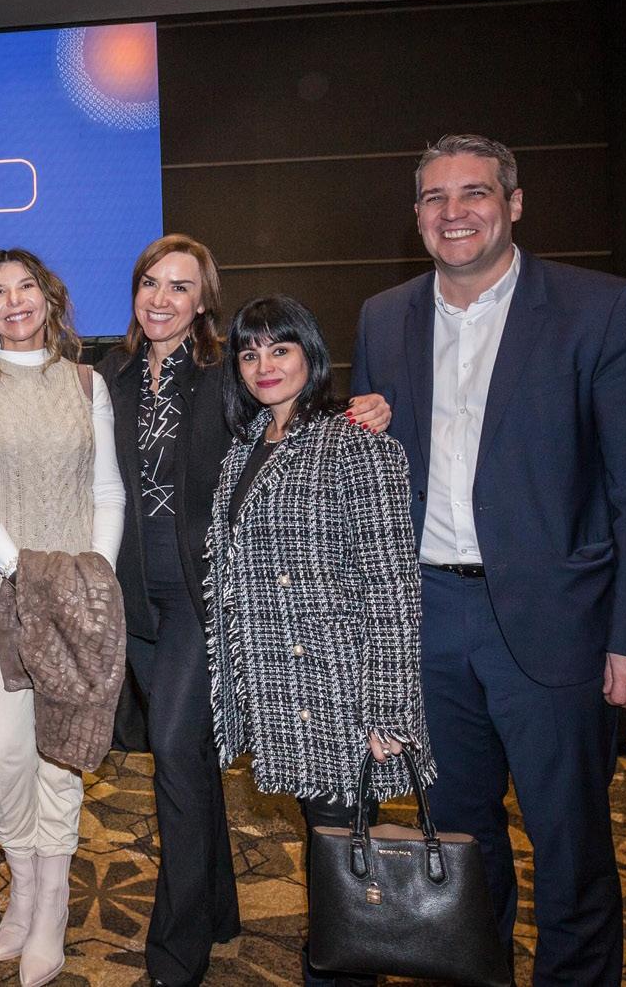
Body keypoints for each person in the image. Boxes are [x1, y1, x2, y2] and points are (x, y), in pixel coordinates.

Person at [352, 134, 626, 984]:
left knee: (571, 845)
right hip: (429, 621)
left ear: (514, 204)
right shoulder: (384, 317)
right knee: (459, 842)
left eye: (474, 193)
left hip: (556, 623)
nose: (453, 212)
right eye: (434, 197)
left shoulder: (598, 309)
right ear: (417, 216)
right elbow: (374, 485)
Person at [94, 235, 388, 987]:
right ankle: (219, 911)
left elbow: (290, 418)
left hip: (205, 600)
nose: (162, 299)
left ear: (203, 302)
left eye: (181, 287)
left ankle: (177, 951)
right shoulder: (109, 376)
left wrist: (364, 407)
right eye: (151, 283)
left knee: (172, 754)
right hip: (135, 600)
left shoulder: (224, 370)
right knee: (189, 763)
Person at [206, 294, 430, 987]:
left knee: (345, 860)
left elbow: (393, 586)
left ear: (311, 354)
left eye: (280, 349)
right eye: (249, 353)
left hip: (340, 692)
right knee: (330, 850)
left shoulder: (355, 442)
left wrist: (387, 710)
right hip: (281, 689)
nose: (264, 365)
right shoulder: (246, 448)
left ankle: (338, 972)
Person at [0, 249, 122, 987]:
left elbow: (106, 489)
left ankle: (52, 900)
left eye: (26, 288)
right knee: (7, 750)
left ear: (49, 298)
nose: (13, 300)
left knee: (63, 749)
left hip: (76, 591)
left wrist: (93, 575)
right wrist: (26, 573)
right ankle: (23, 878)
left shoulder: (86, 383)